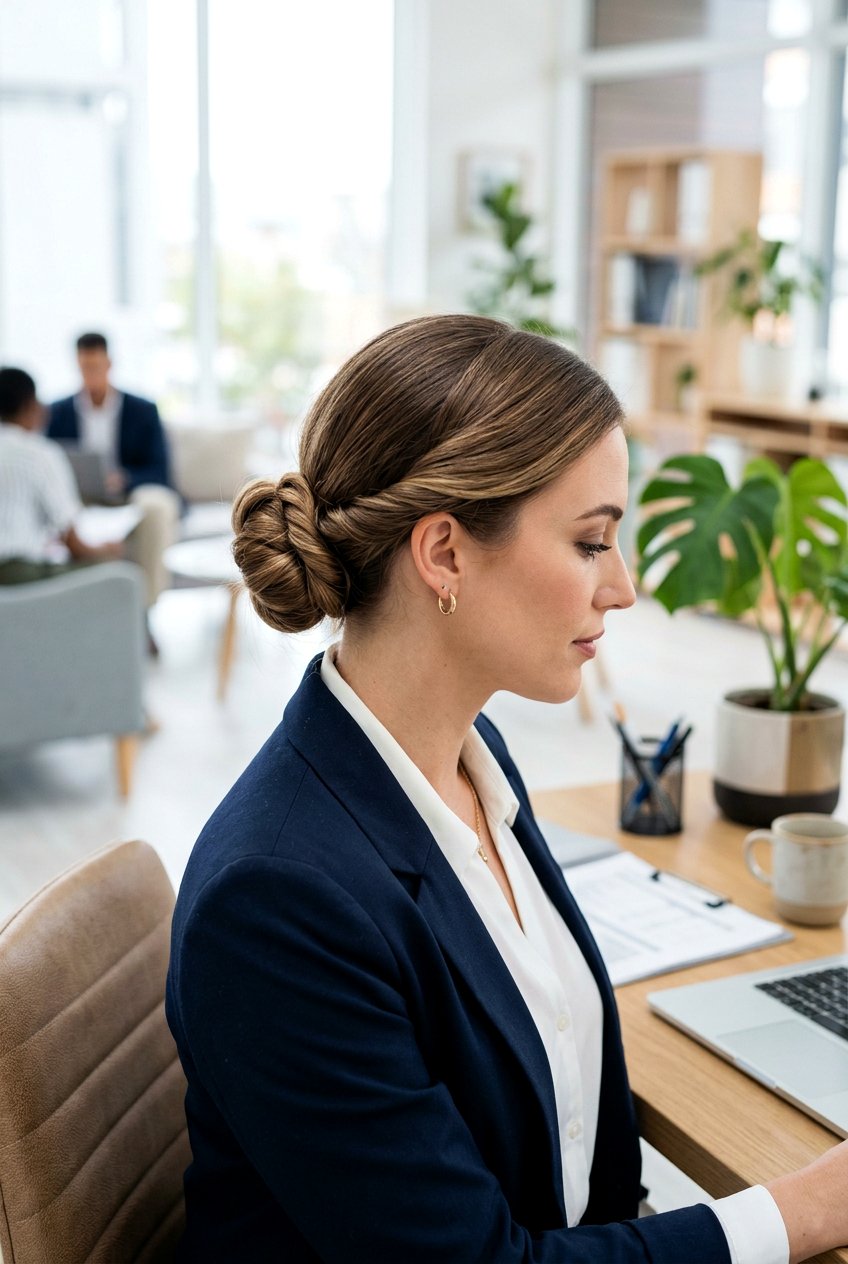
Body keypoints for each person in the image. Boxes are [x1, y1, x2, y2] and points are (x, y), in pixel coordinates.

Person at [166, 315, 848, 1263]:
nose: (624, 587)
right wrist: (806, 1210)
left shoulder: (465, 754)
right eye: (591, 542)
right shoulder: (277, 901)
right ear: (444, 553)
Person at [47, 331, 180, 608]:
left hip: (130, 494)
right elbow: (47, 466)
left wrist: (125, 478)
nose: (90, 375)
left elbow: (160, 470)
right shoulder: (57, 413)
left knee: (157, 505)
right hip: (80, 497)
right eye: (84, 367)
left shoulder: (143, 410)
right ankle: (76, 608)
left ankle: (146, 606)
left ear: (109, 364)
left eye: (95, 367)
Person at [0, 366, 122, 582]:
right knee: (118, 575)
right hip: (16, 574)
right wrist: (106, 550)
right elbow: (75, 546)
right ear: (30, 405)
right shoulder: (39, 453)